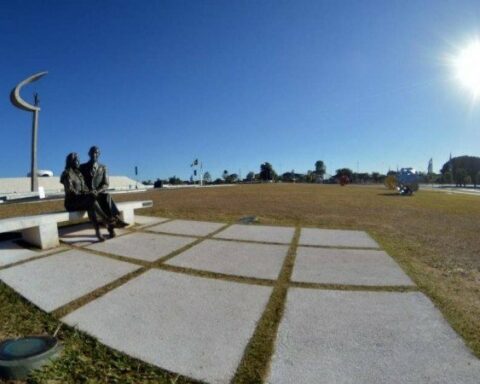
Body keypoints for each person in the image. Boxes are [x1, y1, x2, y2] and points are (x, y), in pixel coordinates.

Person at [60, 152, 112, 241]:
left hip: (81, 201)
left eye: (78, 160)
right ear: (71, 161)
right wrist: (86, 194)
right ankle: (105, 219)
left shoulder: (79, 174)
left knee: (91, 205)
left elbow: (85, 188)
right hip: (71, 202)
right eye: (76, 160)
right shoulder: (67, 173)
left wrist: (90, 192)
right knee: (90, 200)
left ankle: (98, 231)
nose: (79, 162)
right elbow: (70, 191)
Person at [80, 146, 128, 238]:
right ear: (89, 153)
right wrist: (88, 191)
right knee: (97, 202)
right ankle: (113, 222)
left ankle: (113, 222)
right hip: (88, 195)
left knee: (106, 196)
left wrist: (97, 191)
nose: (95, 154)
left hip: (98, 194)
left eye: (97, 153)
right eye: (93, 152)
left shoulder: (103, 167)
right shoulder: (82, 167)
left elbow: (106, 184)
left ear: (99, 155)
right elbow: (80, 182)